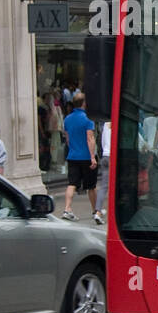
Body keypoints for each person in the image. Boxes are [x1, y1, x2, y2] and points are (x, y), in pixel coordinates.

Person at [61, 91, 98, 222]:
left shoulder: (67, 119)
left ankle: (67, 209)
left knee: (72, 184)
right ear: (84, 104)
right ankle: (95, 212)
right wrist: (92, 157)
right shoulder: (88, 119)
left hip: (73, 156)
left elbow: (68, 139)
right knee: (91, 186)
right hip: (86, 156)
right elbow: (90, 138)